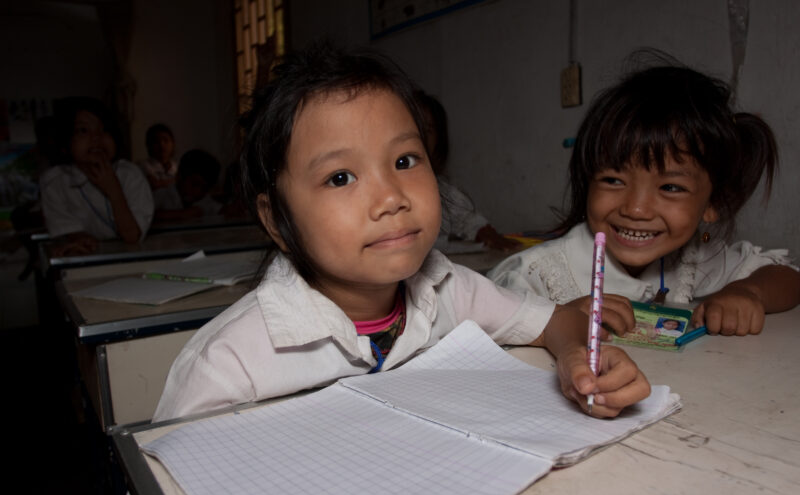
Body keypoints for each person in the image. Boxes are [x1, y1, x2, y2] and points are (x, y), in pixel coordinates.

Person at [152, 42, 650, 422]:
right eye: (340, 177)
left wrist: (576, 361)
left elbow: (553, 321)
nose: (392, 196)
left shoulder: (450, 289)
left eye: (405, 160)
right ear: (276, 220)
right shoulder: (228, 363)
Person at [489, 58, 800, 337]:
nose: (636, 209)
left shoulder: (692, 259)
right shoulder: (535, 274)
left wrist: (749, 292)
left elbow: (787, 275)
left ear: (713, 203)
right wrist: (555, 322)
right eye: (613, 180)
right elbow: (474, 339)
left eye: (670, 187)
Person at [39, 97, 153, 255]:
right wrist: (80, 238)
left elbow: (132, 236)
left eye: (104, 130)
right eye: (83, 130)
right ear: (66, 142)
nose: (96, 138)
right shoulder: (55, 182)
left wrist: (113, 189)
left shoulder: (130, 174)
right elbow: (68, 229)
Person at [415, 90, 521, 251]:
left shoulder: (443, 190)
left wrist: (486, 234)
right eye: (413, 127)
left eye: (427, 130)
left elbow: (469, 220)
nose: (419, 137)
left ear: (439, 140)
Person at [152, 148, 222, 221]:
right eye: (195, 184)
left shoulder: (205, 200)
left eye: (205, 188)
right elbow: (145, 215)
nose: (198, 191)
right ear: (179, 176)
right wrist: (184, 213)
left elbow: (221, 209)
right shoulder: (160, 196)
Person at [137, 123, 178, 210]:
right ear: (148, 145)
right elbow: (153, 184)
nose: (161, 145)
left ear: (173, 143)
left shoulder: (177, 167)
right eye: (156, 141)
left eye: (166, 140)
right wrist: (176, 180)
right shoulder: (143, 165)